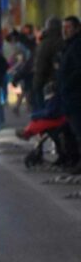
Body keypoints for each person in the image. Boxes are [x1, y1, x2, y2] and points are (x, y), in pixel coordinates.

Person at [56, 15, 81, 170]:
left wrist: (68, 83)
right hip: (69, 95)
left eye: (69, 27)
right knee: (70, 128)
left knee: (78, 129)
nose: (65, 31)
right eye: (63, 28)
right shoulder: (69, 45)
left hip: (75, 94)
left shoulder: (77, 45)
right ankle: (72, 160)